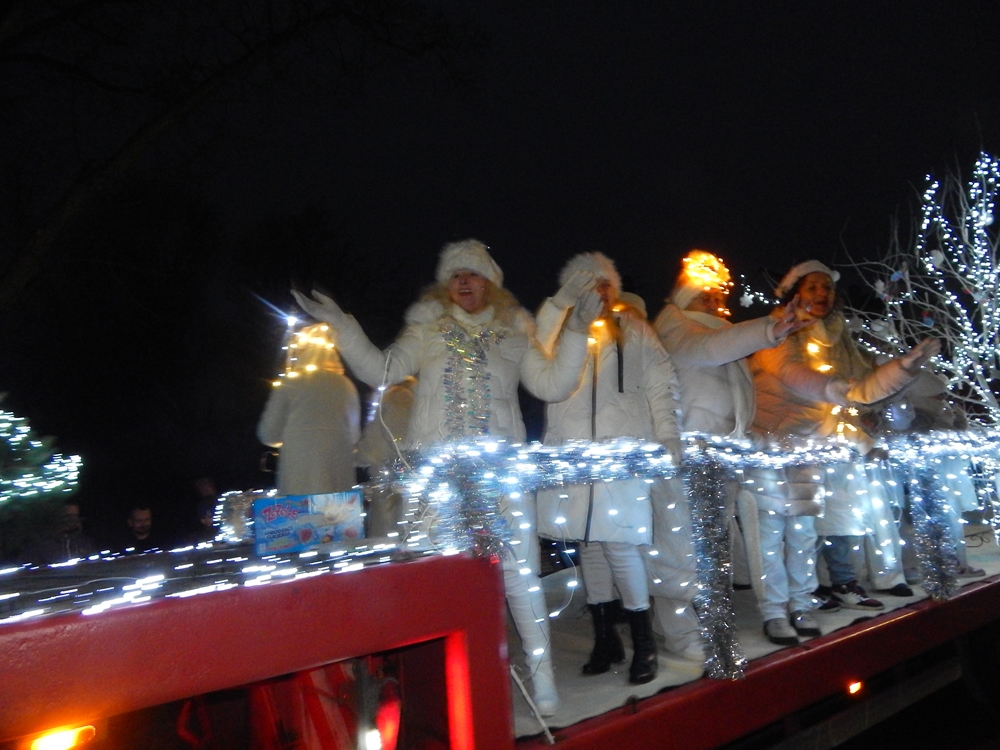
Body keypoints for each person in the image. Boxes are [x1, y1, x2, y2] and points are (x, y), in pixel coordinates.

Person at [292, 238, 602, 716]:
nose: (464, 281)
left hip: (500, 473)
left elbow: (553, 384)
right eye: (456, 274)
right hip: (438, 477)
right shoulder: (427, 331)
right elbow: (380, 369)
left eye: (473, 273)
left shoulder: (514, 333)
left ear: (490, 283)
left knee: (519, 574)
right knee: (437, 577)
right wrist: (341, 323)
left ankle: (543, 682)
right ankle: (444, 686)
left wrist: (577, 329)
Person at [748, 260, 939, 645]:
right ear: (795, 293)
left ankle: (801, 604)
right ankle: (774, 612)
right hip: (769, 445)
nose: (823, 294)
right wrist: (834, 389)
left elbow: (864, 386)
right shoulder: (777, 329)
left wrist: (903, 368)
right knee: (769, 535)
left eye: (828, 287)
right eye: (813, 287)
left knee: (802, 533)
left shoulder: (839, 338)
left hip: (811, 446)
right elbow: (791, 372)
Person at [653, 249, 814, 650]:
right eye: (703, 297)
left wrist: (749, 436)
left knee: (711, 543)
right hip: (687, 453)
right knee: (680, 545)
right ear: (685, 298)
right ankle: (680, 633)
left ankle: (711, 622)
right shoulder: (675, 327)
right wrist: (769, 329)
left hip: (721, 454)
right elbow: (709, 348)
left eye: (717, 297)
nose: (713, 303)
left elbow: (738, 397)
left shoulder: (722, 336)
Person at [534, 252, 681, 684]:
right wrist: (560, 306)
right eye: (587, 284)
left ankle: (643, 641)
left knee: (620, 545)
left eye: (604, 284)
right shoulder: (563, 331)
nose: (597, 292)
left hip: (623, 455)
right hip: (575, 455)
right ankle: (605, 637)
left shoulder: (635, 329)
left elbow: (661, 383)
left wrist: (668, 434)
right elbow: (534, 347)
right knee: (589, 546)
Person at [258, 323, 361, 496]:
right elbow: (354, 436)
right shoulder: (346, 386)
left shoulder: (290, 382)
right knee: (336, 512)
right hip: (337, 477)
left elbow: (268, 433)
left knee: (301, 512)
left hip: (299, 475)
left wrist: (293, 438)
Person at [356, 376, 417, 537]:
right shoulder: (414, 394)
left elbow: (379, 439)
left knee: (387, 529)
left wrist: (357, 457)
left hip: (390, 476)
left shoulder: (396, 396)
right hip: (404, 473)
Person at [18, 500, 96, 564]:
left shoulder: (85, 542)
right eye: (68, 516)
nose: (73, 520)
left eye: (75, 516)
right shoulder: (38, 545)